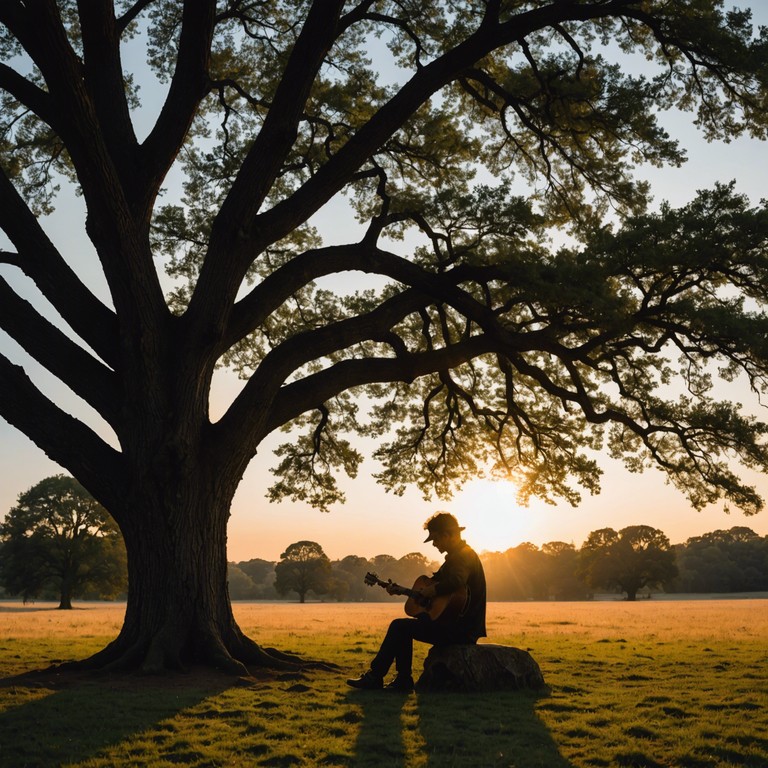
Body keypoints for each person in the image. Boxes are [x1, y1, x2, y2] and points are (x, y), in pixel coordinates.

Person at [346, 511, 487, 692]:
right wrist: (404, 591)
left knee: (400, 627)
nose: (435, 544)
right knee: (403, 627)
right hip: (455, 625)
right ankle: (402, 680)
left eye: (436, 539)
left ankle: (378, 677)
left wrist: (430, 590)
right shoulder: (456, 557)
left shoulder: (462, 556)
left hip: (460, 630)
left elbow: (456, 582)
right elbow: (441, 594)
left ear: (447, 535)